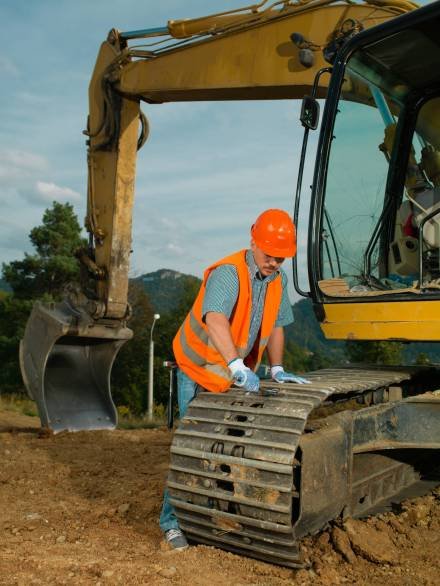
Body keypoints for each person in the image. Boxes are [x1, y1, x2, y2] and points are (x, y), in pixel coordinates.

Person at [160, 208, 310, 550]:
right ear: (253, 240)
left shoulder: (277, 280)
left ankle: (204, 509)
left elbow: (275, 325)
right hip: (199, 368)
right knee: (194, 448)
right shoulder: (229, 273)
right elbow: (214, 319)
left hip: (231, 372)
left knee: (221, 445)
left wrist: (276, 368)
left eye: (281, 258)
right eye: (270, 255)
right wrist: (235, 364)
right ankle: (172, 523)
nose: (274, 263)